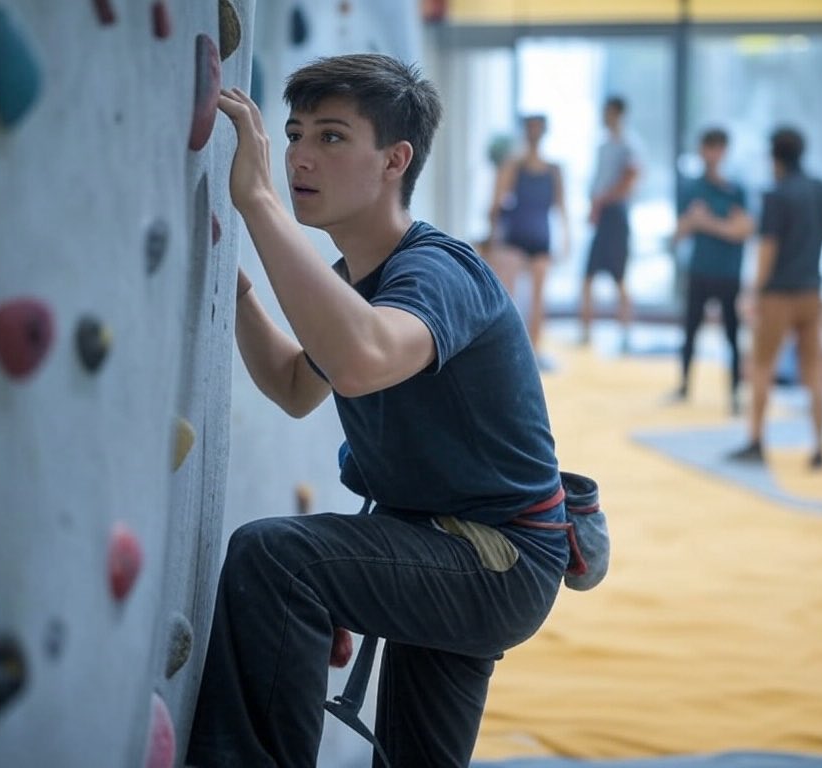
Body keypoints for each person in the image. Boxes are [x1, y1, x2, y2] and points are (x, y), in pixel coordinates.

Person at [185, 54, 570, 768]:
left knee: (277, 559)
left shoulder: (438, 270)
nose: (299, 156)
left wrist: (260, 204)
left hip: (496, 558)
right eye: (294, 134)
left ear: (396, 159)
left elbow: (360, 361)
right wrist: (235, 294)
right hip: (447, 543)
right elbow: (299, 386)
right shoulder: (355, 281)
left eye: (330, 137)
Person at [728, 127, 822, 470]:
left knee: (762, 367)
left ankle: (756, 441)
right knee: (815, 371)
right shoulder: (821, 189)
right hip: (812, 291)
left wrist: (752, 292)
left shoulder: (776, 195)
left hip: (777, 295)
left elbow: (768, 250)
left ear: (774, 157)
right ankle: (819, 447)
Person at [671, 127, 754, 414]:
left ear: (725, 151)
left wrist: (704, 222)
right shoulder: (691, 188)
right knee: (690, 331)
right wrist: (719, 225)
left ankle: (735, 393)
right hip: (700, 270)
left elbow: (743, 231)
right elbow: (679, 232)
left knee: (733, 336)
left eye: (718, 148)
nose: (713, 155)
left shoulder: (737, 189)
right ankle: (683, 385)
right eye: (708, 147)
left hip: (729, 273)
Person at [489, 114, 569, 368]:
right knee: (508, 298)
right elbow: (496, 204)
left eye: (537, 128)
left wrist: (567, 239)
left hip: (540, 238)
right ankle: (507, 349)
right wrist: (493, 240)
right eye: (530, 128)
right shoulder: (513, 166)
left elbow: (562, 208)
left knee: (538, 298)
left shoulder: (554, 170)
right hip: (515, 238)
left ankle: (534, 353)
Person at [578, 96, 639, 350]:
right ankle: (586, 331)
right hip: (601, 214)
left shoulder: (629, 145)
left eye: (608, 112)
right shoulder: (603, 146)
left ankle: (625, 332)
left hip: (615, 215)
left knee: (619, 276)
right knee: (588, 276)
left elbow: (630, 180)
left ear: (618, 113)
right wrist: (595, 205)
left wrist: (604, 199)